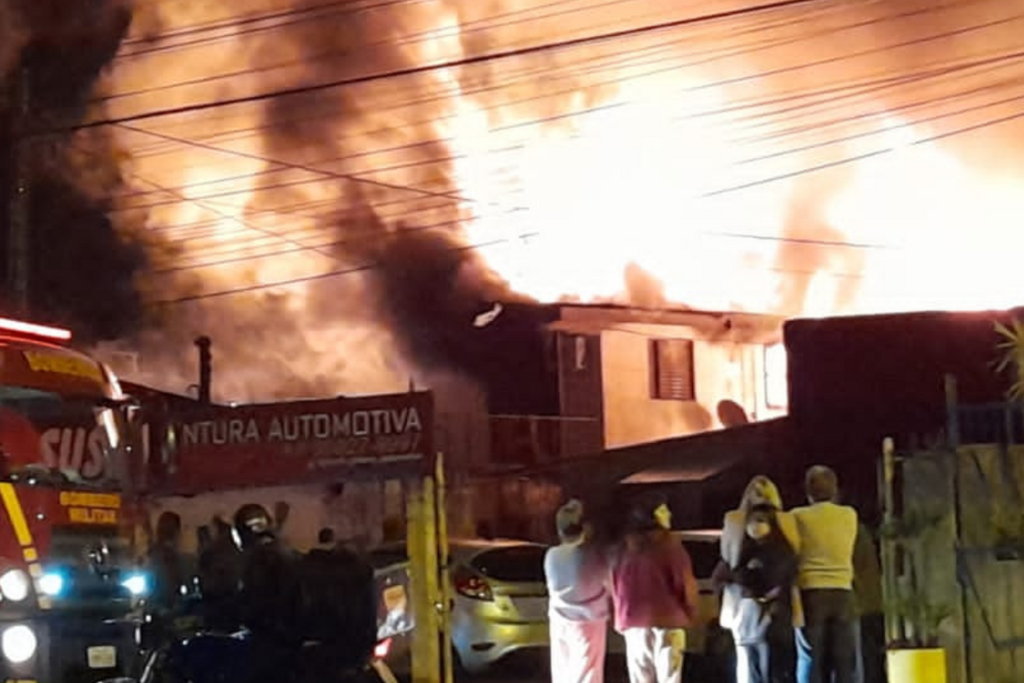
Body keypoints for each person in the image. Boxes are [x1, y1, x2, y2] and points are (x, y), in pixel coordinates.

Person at [719, 476, 802, 683]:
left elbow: (728, 560)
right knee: (771, 663)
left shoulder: (736, 523)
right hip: (770, 607)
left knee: (752, 664)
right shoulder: (785, 526)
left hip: (749, 606)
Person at [611, 494, 698, 683]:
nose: (669, 513)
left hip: (633, 621)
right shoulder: (670, 544)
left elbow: (617, 585)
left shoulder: (624, 547)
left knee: (641, 678)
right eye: (664, 510)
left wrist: (620, 618)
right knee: (669, 677)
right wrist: (690, 612)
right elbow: (683, 582)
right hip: (668, 621)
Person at [792, 466, 859, 683]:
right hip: (843, 592)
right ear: (835, 489)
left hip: (811, 591)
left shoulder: (798, 516)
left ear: (808, 491)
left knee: (810, 657)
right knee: (843, 661)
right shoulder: (849, 515)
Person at [544, 499, 611, 683]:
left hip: (559, 619)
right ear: (585, 528)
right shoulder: (590, 554)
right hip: (588, 620)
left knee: (562, 669)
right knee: (587, 671)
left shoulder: (551, 554)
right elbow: (608, 581)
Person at [852, 522, 884, 683]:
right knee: (871, 661)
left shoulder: (851, 529)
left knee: (865, 661)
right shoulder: (859, 529)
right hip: (870, 602)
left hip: (860, 605)